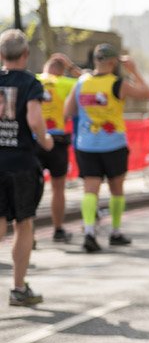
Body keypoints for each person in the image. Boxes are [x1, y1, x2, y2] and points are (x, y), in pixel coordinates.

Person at [64, 44, 149, 253]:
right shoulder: (118, 83)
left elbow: (68, 110)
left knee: (90, 190)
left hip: (86, 145)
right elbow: (148, 93)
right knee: (116, 190)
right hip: (113, 145)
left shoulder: (81, 83)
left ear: (95, 60)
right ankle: (115, 232)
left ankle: (88, 232)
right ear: (113, 63)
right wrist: (134, 70)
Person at [0, 30, 54, 305]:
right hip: (20, 163)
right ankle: (18, 288)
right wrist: (46, 141)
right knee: (23, 224)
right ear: (26, 55)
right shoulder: (31, 82)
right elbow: (34, 120)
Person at [35, 53, 81, 243]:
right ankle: (58, 229)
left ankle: (29, 233)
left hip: (34, 139)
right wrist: (71, 66)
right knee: (58, 187)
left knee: (31, 187)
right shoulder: (65, 83)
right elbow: (87, 81)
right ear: (61, 70)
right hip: (57, 141)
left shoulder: (34, 80)